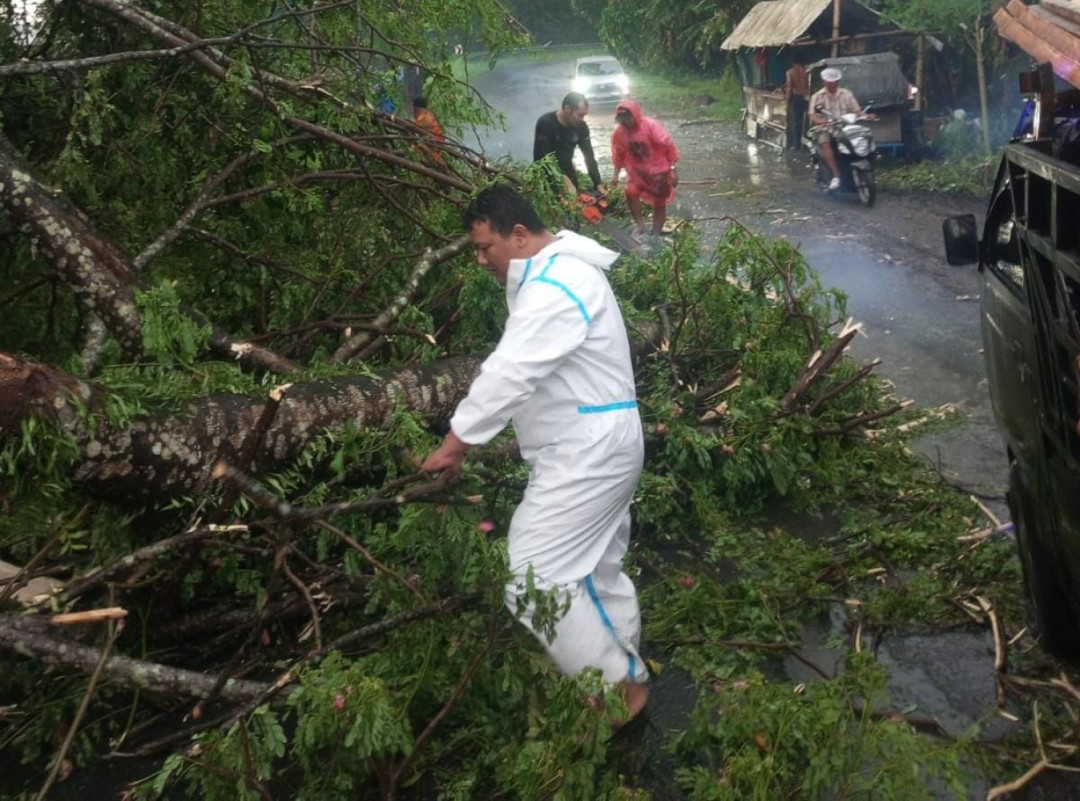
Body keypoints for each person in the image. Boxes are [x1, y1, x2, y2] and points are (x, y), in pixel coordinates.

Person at [422, 185, 648, 721]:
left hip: (589, 449)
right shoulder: (564, 272)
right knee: (594, 568)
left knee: (533, 576)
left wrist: (455, 445)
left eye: (485, 248)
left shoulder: (555, 283)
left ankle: (622, 692)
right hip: (598, 441)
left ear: (519, 235)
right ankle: (623, 661)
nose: (480, 261)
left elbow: (511, 372)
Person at [610, 100, 679, 238]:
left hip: (658, 172)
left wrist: (672, 169)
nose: (627, 122)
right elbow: (619, 154)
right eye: (623, 119)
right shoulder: (620, 133)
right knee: (630, 192)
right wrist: (616, 174)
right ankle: (640, 225)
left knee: (659, 202)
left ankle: (656, 233)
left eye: (629, 118)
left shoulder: (650, 126)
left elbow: (668, 144)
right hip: (637, 172)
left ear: (635, 115)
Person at [809, 67, 876, 190]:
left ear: (838, 81)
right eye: (830, 82)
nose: (833, 85)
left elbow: (858, 111)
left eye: (835, 82)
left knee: (865, 135)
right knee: (825, 142)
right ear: (824, 82)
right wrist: (821, 121)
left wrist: (867, 116)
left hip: (847, 127)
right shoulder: (817, 96)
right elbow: (813, 115)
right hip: (827, 128)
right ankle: (836, 176)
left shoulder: (847, 94)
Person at [533, 93, 606, 197]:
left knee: (586, 200)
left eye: (584, 116)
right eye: (579, 115)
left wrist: (598, 184)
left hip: (568, 172)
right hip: (546, 175)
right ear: (567, 109)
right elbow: (540, 159)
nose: (582, 119)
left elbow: (589, 157)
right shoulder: (546, 123)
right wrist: (559, 179)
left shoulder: (581, 127)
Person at [784, 59, 810, 150]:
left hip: (797, 98)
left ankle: (797, 145)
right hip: (808, 97)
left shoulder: (790, 72)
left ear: (794, 62)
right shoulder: (809, 71)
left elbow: (790, 88)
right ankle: (808, 144)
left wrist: (787, 101)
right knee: (808, 122)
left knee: (797, 122)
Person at [412, 96, 445, 164]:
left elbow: (418, 140)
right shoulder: (429, 115)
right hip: (438, 149)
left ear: (415, 109)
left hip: (432, 151)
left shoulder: (422, 119)